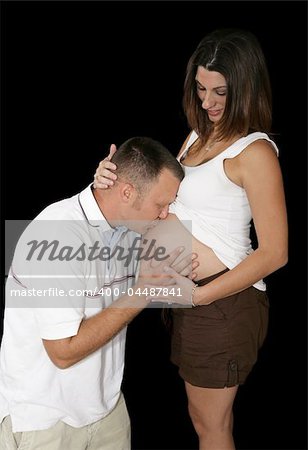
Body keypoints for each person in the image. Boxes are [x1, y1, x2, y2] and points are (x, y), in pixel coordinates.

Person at [93, 28, 288, 450]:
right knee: (206, 422)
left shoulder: (255, 153)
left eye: (221, 91)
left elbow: (275, 253)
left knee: (210, 428)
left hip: (221, 302)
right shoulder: (196, 136)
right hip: (190, 297)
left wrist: (201, 297)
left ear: (246, 87)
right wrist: (109, 180)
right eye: (201, 89)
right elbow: (160, 201)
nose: (208, 102)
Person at [0, 136, 198, 450]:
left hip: (106, 410)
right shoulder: (58, 235)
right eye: (161, 204)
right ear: (127, 192)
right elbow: (62, 353)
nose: (164, 214)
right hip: (46, 421)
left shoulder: (128, 228)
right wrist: (143, 291)